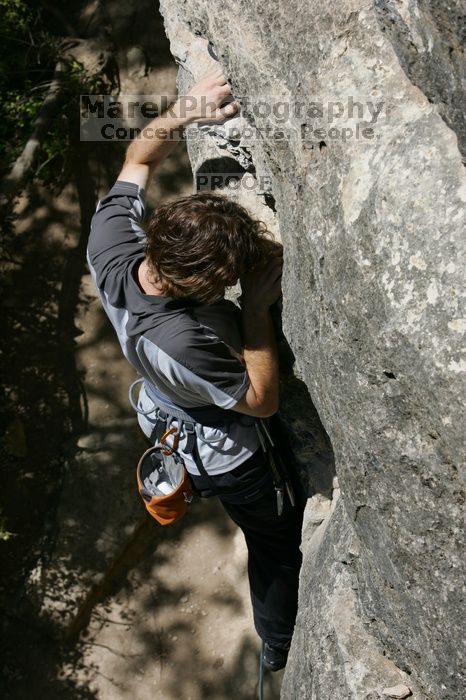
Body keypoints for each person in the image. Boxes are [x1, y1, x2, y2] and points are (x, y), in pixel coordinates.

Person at [86, 67, 305, 672]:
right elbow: (261, 401)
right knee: (276, 547)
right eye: (226, 282)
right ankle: (280, 651)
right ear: (202, 286)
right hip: (229, 454)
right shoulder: (184, 339)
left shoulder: (114, 243)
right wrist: (256, 310)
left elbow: (137, 158)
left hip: (166, 411)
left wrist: (187, 110)